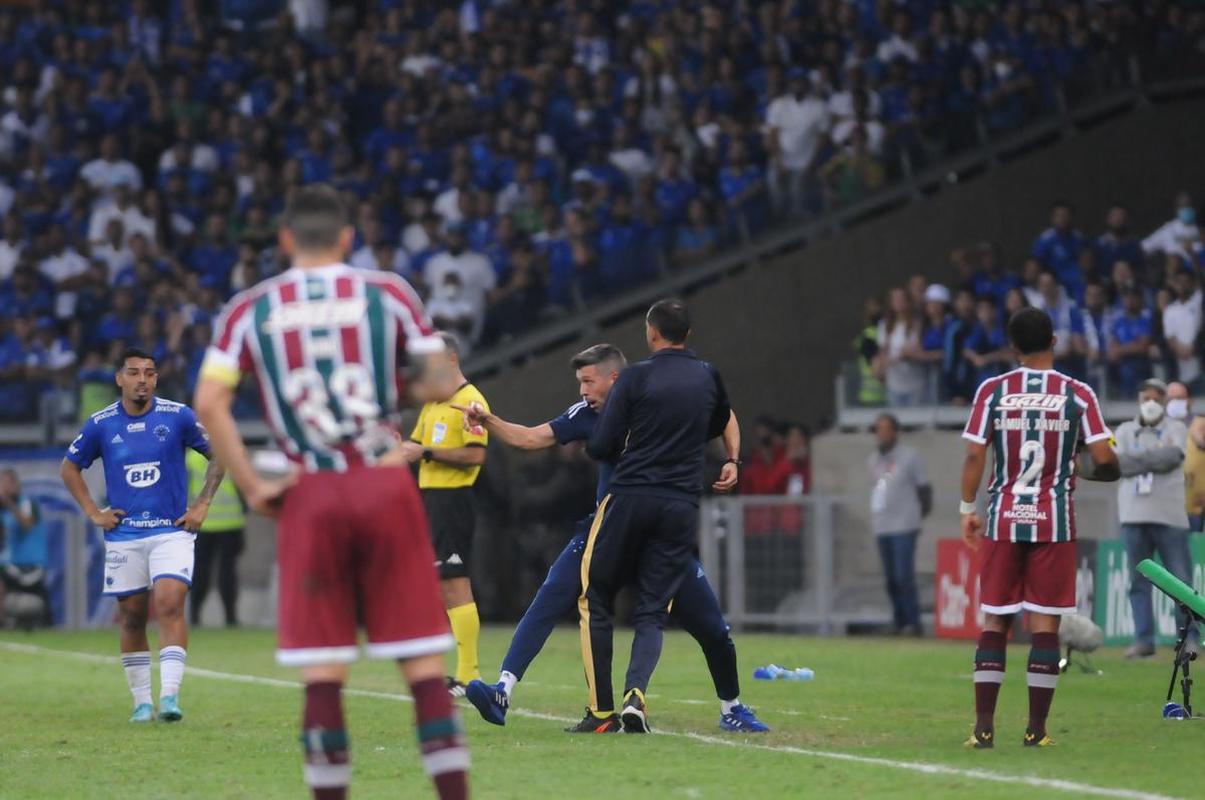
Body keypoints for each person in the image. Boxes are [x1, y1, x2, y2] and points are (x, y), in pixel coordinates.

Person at [194, 185, 468, 800]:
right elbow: (435, 381)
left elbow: (209, 401)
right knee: (423, 666)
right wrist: (387, 387)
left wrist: (253, 486)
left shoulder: (249, 309)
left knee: (323, 672)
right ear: (348, 238)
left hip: (310, 491)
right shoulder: (389, 293)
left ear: (285, 240)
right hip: (382, 480)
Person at [456, 343, 763, 732]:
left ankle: (729, 707)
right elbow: (530, 439)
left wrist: (732, 459)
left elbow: (723, 413)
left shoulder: (656, 405)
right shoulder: (588, 413)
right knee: (550, 597)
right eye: (580, 382)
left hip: (655, 533)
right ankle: (505, 689)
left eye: (588, 381)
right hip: (607, 530)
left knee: (711, 627)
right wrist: (489, 420)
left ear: (614, 378)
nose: (582, 391)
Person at [960, 307, 1119, 749]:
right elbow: (1106, 460)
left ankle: (983, 729)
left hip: (1004, 518)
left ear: (1013, 347)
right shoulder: (1078, 394)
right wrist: (1080, 466)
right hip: (1054, 521)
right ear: (1054, 341)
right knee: (1045, 623)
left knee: (996, 619)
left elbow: (974, 455)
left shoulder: (993, 390)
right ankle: (1036, 730)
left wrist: (967, 509)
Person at [578, 299, 738, 733]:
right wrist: (728, 458)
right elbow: (717, 421)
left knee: (597, 596)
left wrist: (601, 441)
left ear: (651, 333)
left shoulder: (635, 376)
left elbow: (603, 443)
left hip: (631, 496)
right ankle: (636, 694)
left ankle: (601, 711)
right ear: (688, 333)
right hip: (680, 504)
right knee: (652, 610)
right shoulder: (707, 375)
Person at [60, 347, 226, 724]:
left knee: (169, 603)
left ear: (156, 379)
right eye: (134, 373)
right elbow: (69, 469)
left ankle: (169, 697)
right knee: (132, 617)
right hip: (125, 535)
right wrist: (94, 512)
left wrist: (202, 504)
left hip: (172, 531)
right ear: (119, 378)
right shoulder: (101, 423)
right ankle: (142, 702)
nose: (142, 380)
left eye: (149, 373)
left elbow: (220, 453)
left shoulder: (178, 416)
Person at [393, 332, 490, 697]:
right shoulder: (434, 403)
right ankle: (457, 673)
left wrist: (426, 453)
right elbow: (416, 447)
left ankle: (469, 675)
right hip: (430, 500)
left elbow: (475, 455)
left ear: (451, 359)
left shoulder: (470, 401)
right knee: (441, 585)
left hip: (453, 500)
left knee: (455, 583)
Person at [1113, 379, 1198, 658]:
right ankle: (1143, 640)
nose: (1150, 403)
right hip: (1133, 515)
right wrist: (1152, 456)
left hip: (1170, 516)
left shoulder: (1177, 427)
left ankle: (1189, 639)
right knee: (1138, 582)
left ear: (1163, 401)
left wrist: (1137, 458)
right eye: (1145, 397)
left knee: (1181, 583)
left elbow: (1171, 458)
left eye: (1156, 398)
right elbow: (1120, 465)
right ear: (1139, 400)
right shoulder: (1124, 430)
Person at [868, 413, 930, 636]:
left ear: (895, 431)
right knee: (891, 578)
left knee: (904, 575)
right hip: (882, 524)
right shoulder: (873, 460)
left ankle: (913, 621)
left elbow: (924, 488)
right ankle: (899, 619)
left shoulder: (909, 457)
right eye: (878, 429)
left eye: (886, 428)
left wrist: (918, 515)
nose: (881, 433)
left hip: (904, 523)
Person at [185, 447, 245, 627]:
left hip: (200, 522)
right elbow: (243, 485)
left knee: (199, 571)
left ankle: (195, 616)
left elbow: (185, 488)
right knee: (228, 571)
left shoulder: (191, 457)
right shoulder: (232, 451)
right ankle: (230, 617)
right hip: (230, 521)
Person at [0, 467, 50, 629]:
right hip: (13, 564)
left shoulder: (26, 503)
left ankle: (3, 621)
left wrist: (9, 502)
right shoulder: (4, 510)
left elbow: (26, 524)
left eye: (6, 484)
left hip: (31, 565)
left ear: (16, 485)